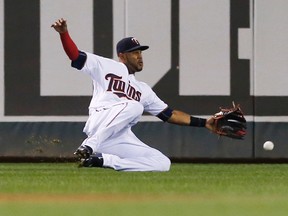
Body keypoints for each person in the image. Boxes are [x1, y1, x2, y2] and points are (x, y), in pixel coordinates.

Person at [51, 18, 216, 172]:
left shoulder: (143, 89)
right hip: (101, 120)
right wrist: (64, 34)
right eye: (134, 53)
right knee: (135, 106)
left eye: (140, 52)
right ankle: (89, 145)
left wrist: (205, 123)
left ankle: (102, 160)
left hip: (119, 137)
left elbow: (170, 115)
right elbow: (75, 55)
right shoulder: (107, 66)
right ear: (122, 56)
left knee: (162, 162)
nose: (139, 56)